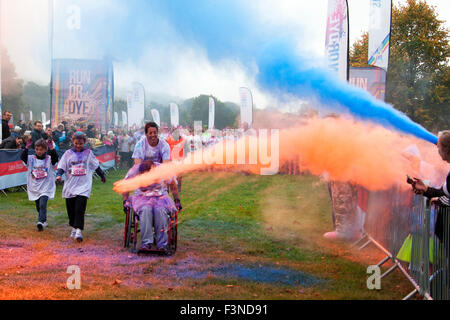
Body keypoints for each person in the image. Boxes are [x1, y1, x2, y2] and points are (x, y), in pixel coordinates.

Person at [56, 132, 106, 242]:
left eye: (81, 143)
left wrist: (102, 175)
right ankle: (74, 226)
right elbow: (62, 165)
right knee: (71, 209)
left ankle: (78, 230)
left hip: (84, 185)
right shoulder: (68, 154)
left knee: (80, 208)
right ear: (73, 142)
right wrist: (59, 174)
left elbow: (95, 165)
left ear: (84, 143)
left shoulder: (88, 153)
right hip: (70, 185)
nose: (78, 145)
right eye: (76, 143)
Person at [122, 160, 182, 253]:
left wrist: (177, 200)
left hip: (160, 196)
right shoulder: (134, 171)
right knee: (146, 209)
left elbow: (173, 184)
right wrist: (125, 201)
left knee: (160, 211)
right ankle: (146, 243)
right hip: (141, 196)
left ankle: (162, 244)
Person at [21, 138, 59, 231]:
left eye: (41, 149)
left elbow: (55, 159)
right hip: (34, 186)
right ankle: (44, 220)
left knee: (42, 204)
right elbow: (23, 158)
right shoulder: (31, 158)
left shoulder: (49, 159)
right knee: (38, 205)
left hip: (46, 186)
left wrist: (52, 149)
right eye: (37, 149)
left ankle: (40, 222)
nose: (39, 151)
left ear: (45, 150)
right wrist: (26, 148)